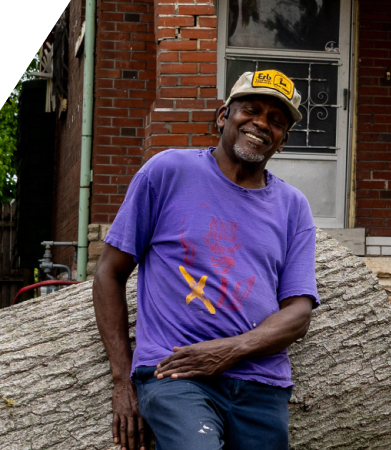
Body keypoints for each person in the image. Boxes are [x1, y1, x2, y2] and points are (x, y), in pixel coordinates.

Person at [92, 69, 319, 450]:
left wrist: (230, 350)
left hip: (261, 383)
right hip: (177, 376)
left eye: (276, 121)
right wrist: (122, 383)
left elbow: (298, 312)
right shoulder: (168, 172)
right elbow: (108, 274)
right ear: (222, 116)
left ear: (282, 141)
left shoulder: (293, 207)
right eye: (251, 109)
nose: (261, 123)